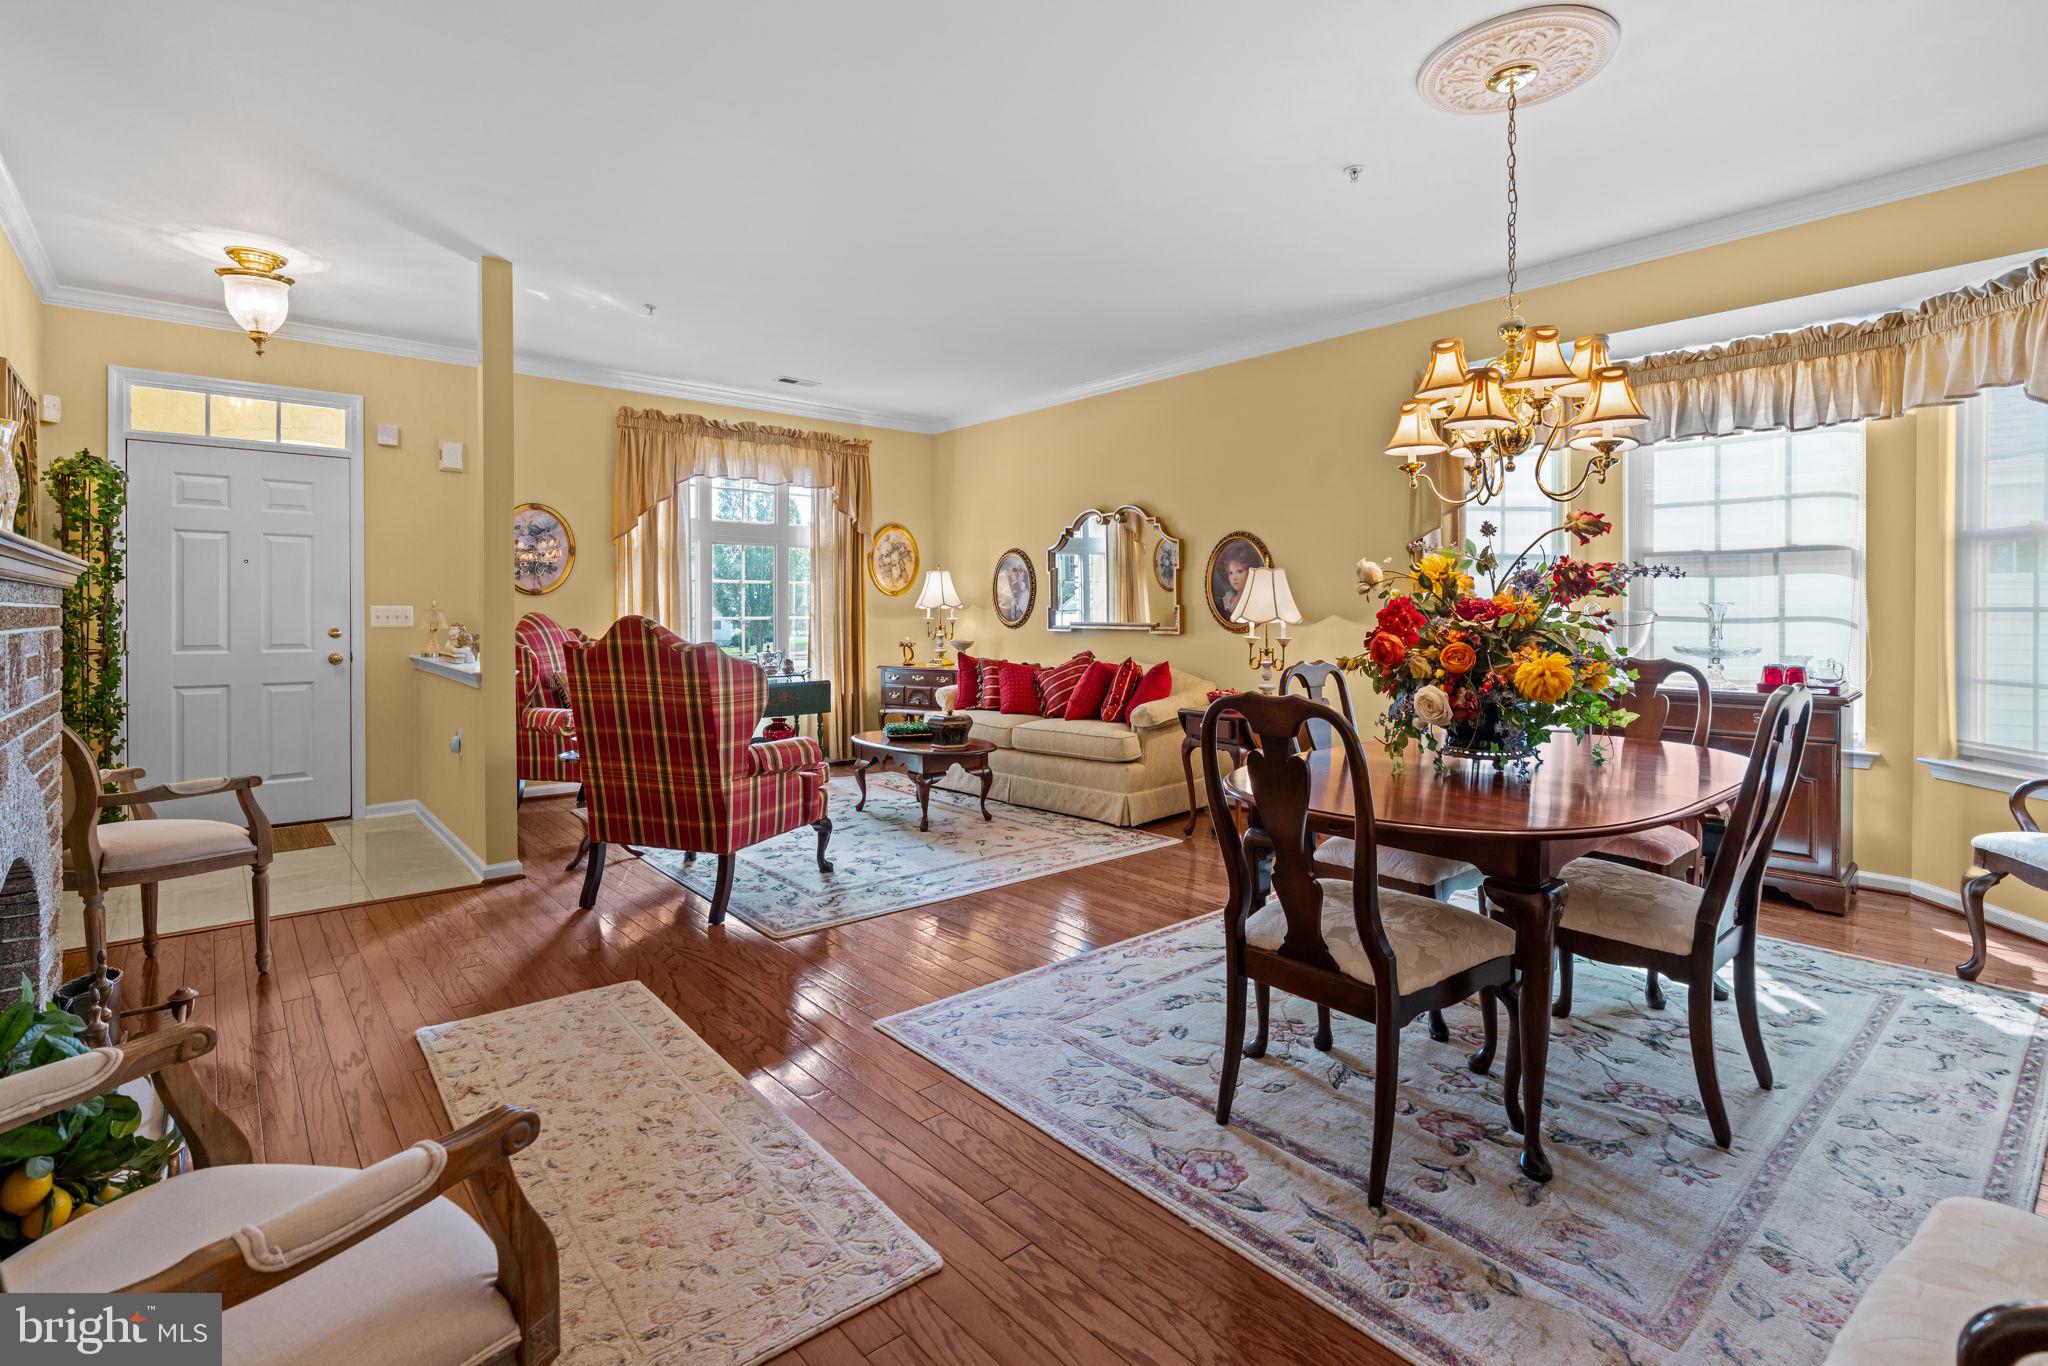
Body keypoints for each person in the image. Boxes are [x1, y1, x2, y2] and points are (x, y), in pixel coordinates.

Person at [1214, 543, 1259, 620]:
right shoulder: (1227, 600)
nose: (1234, 578)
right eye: (1230, 573)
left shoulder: (1256, 599)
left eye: (1239, 571)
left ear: (1250, 571)